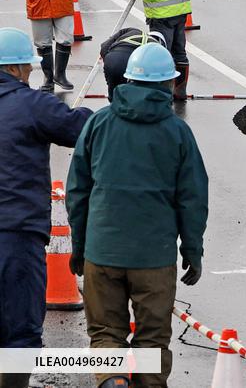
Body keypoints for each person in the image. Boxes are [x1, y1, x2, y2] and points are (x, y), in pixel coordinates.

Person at [67, 43, 209, 388]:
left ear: (128, 80)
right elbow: (193, 199)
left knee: (105, 333)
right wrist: (192, 251)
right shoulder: (177, 133)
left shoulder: (99, 123)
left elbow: (77, 192)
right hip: (153, 259)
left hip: (102, 253)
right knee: (152, 341)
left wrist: (80, 247)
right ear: (169, 84)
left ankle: (114, 379)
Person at [0, 27, 92, 388]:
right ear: (20, 67)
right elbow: (82, 128)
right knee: (19, 327)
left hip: (17, 230)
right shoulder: (32, 105)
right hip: (17, 235)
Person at [100, 28, 167, 101]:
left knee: (115, 98)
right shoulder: (158, 50)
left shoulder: (131, 31)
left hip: (113, 58)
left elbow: (104, 47)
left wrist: (109, 61)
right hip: (132, 67)